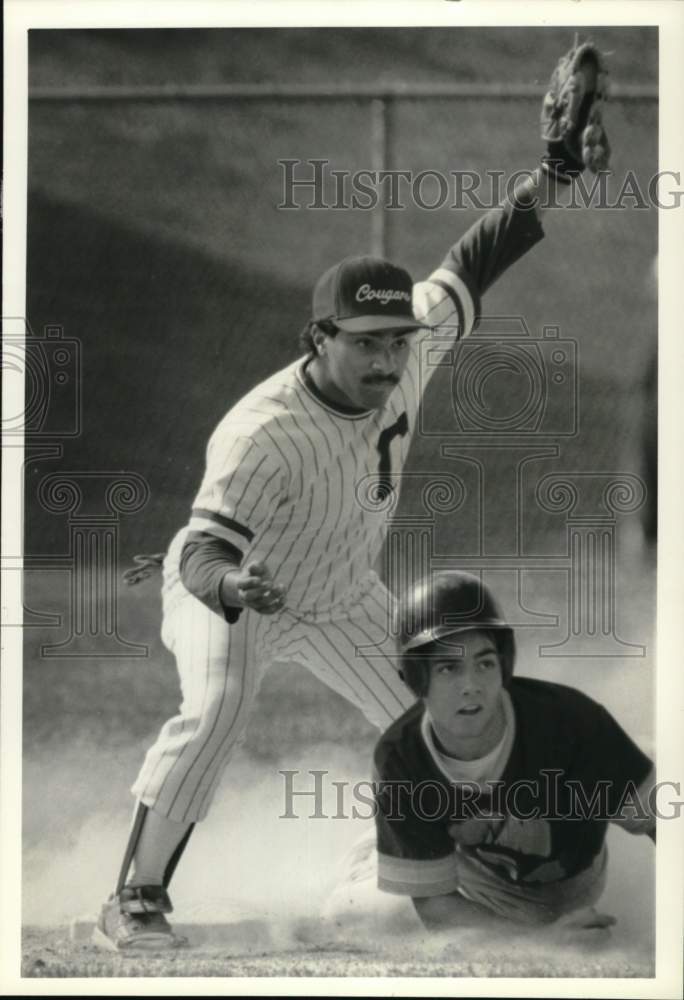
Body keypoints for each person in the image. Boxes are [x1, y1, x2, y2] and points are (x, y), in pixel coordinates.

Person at [94, 42, 612, 950]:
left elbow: (477, 256)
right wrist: (229, 590)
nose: (386, 357)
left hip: (339, 595)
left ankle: (487, 882)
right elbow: (199, 549)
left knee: (462, 713)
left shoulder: (412, 353)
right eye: (366, 340)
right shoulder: (263, 431)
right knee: (214, 713)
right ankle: (132, 897)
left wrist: (556, 171)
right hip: (235, 599)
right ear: (319, 337)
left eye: (397, 340)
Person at [369, 571, 655, 934]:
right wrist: (543, 943)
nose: (471, 686)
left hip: (576, 884)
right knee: (352, 916)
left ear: (504, 664)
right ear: (415, 678)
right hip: (476, 890)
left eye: (485, 663)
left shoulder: (570, 724)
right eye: (448, 668)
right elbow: (437, 908)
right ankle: (377, 852)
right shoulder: (401, 758)